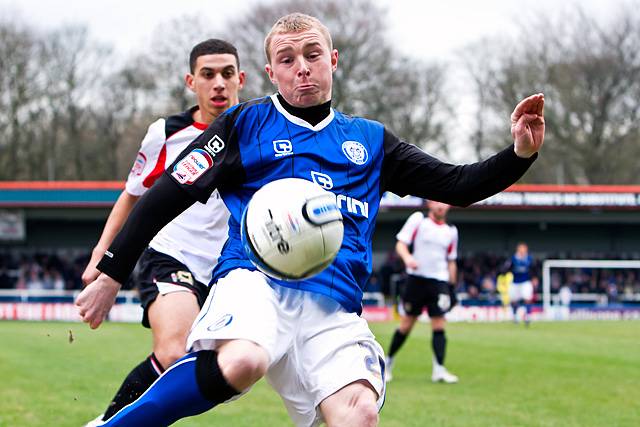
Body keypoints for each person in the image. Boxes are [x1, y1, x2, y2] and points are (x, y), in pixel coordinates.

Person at [75, 13, 545, 427]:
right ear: (269, 72)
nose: (301, 66)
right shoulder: (243, 125)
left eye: (312, 54)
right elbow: (166, 195)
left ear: (333, 60)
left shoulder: (371, 142)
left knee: (359, 413)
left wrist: (519, 154)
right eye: (287, 58)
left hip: (333, 305)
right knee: (243, 361)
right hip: (253, 282)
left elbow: (458, 185)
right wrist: (112, 273)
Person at [80, 39, 245, 424]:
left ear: (242, 78)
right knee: (174, 352)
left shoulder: (258, 132)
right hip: (171, 253)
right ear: (192, 81)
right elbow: (132, 197)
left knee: (233, 366)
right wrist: (101, 258)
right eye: (208, 75)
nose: (218, 83)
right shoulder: (166, 134)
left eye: (227, 74)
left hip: (231, 269)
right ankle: (107, 423)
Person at [385, 201, 459, 383]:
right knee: (406, 324)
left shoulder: (451, 231)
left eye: (445, 203)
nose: (441, 206)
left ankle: (439, 369)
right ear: (430, 203)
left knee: (439, 325)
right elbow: (401, 244)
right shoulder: (418, 220)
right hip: (416, 280)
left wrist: (452, 287)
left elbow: (451, 260)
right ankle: (387, 364)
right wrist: (408, 258)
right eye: (438, 202)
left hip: (439, 282)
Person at [503, 242, 535, 325]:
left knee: (527, 299)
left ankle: (527, 317)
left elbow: (534, 269)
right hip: (515, 282)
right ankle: (515, 316)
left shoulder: (529, 259)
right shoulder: (513, 258)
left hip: (526, 282)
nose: (522, 250)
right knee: (514, 300)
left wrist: (535, 278)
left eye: (524, 249)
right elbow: (505, 269)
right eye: (520, 249)